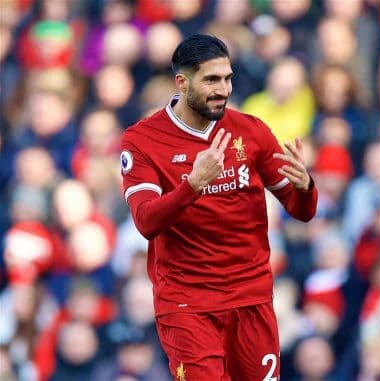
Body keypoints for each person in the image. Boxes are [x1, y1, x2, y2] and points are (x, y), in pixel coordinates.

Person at [119, 34, 318, 381]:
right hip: (187, 304)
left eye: (227, 78)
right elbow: (145, 220)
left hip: (250, 296)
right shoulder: (142, 141)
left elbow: (301, 210)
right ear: (182, 82)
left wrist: (306, 187)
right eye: (211, 79)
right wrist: (193, 185)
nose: (223, 89)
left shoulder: (251, 131)